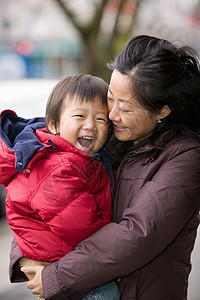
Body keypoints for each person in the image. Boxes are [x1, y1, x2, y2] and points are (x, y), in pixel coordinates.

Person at [8, 34, 200, 299]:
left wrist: (56, 276)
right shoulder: (102, 134)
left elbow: (138, 235)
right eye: (111, 98)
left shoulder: (185, 155)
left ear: (162, 112)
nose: (111, 115)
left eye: (126, 107)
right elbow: (33, 197)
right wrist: (26, 259)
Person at [0, 74, 120, 299]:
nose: (91, 125)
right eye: (80, 116)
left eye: (101, 119)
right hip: (71, 270)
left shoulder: (81, 159)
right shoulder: (57, 166)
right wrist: (118, 255)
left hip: (68, 265)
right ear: (54, 124)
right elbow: (81, 229)